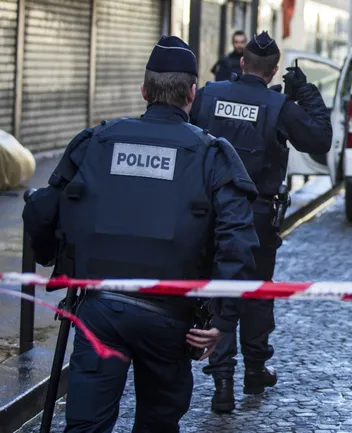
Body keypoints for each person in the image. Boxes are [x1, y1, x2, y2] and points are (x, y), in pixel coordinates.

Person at [21, 35, 261, 432]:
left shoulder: (96, 141)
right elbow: (238, 241)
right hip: (169, 318)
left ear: (144, 90)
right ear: (192, 94)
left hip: (99, 311)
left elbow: (43, 208)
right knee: (157, 423)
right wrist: (223, 321)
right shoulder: (212, 155)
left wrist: (53, 259)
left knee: (85, 425)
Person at [191, 30, 332, 413]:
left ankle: (222, 380)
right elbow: (320, 139)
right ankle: (254, 370)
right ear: (273, 71)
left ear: (241, 64)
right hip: (256, 218)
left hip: (208, 214)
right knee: (255, 292)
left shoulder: (208, 96)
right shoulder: (277, 105)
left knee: (219, 289)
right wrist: (304, 91)